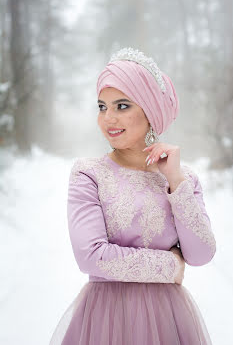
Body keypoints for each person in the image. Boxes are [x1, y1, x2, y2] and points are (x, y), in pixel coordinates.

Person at [49, 47, 216, 345]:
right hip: (104, 319)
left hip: (169, 321)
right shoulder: (89, 174)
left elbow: (201, 254)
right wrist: (170, 266)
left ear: (151, 111)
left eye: (122, 106)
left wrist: (175, 180)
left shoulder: (183, 178)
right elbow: (91, 257)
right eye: (102, 106)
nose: (108, 118)